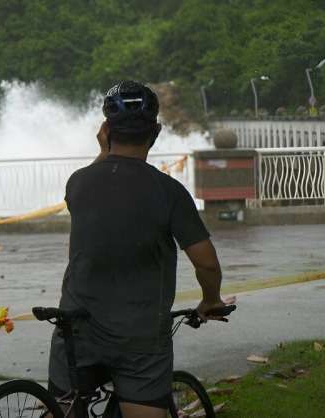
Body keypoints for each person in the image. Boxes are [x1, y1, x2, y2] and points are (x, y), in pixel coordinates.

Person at [47, 80, 233, 417]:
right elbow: (205, 263)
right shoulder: (169, 192)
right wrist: (210, 299)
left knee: (63, 408)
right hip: (139, 338)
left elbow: (97, 199)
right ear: (157, 132)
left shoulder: (78, 182)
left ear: (105, 130)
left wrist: (104, 152)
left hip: (75, 329)